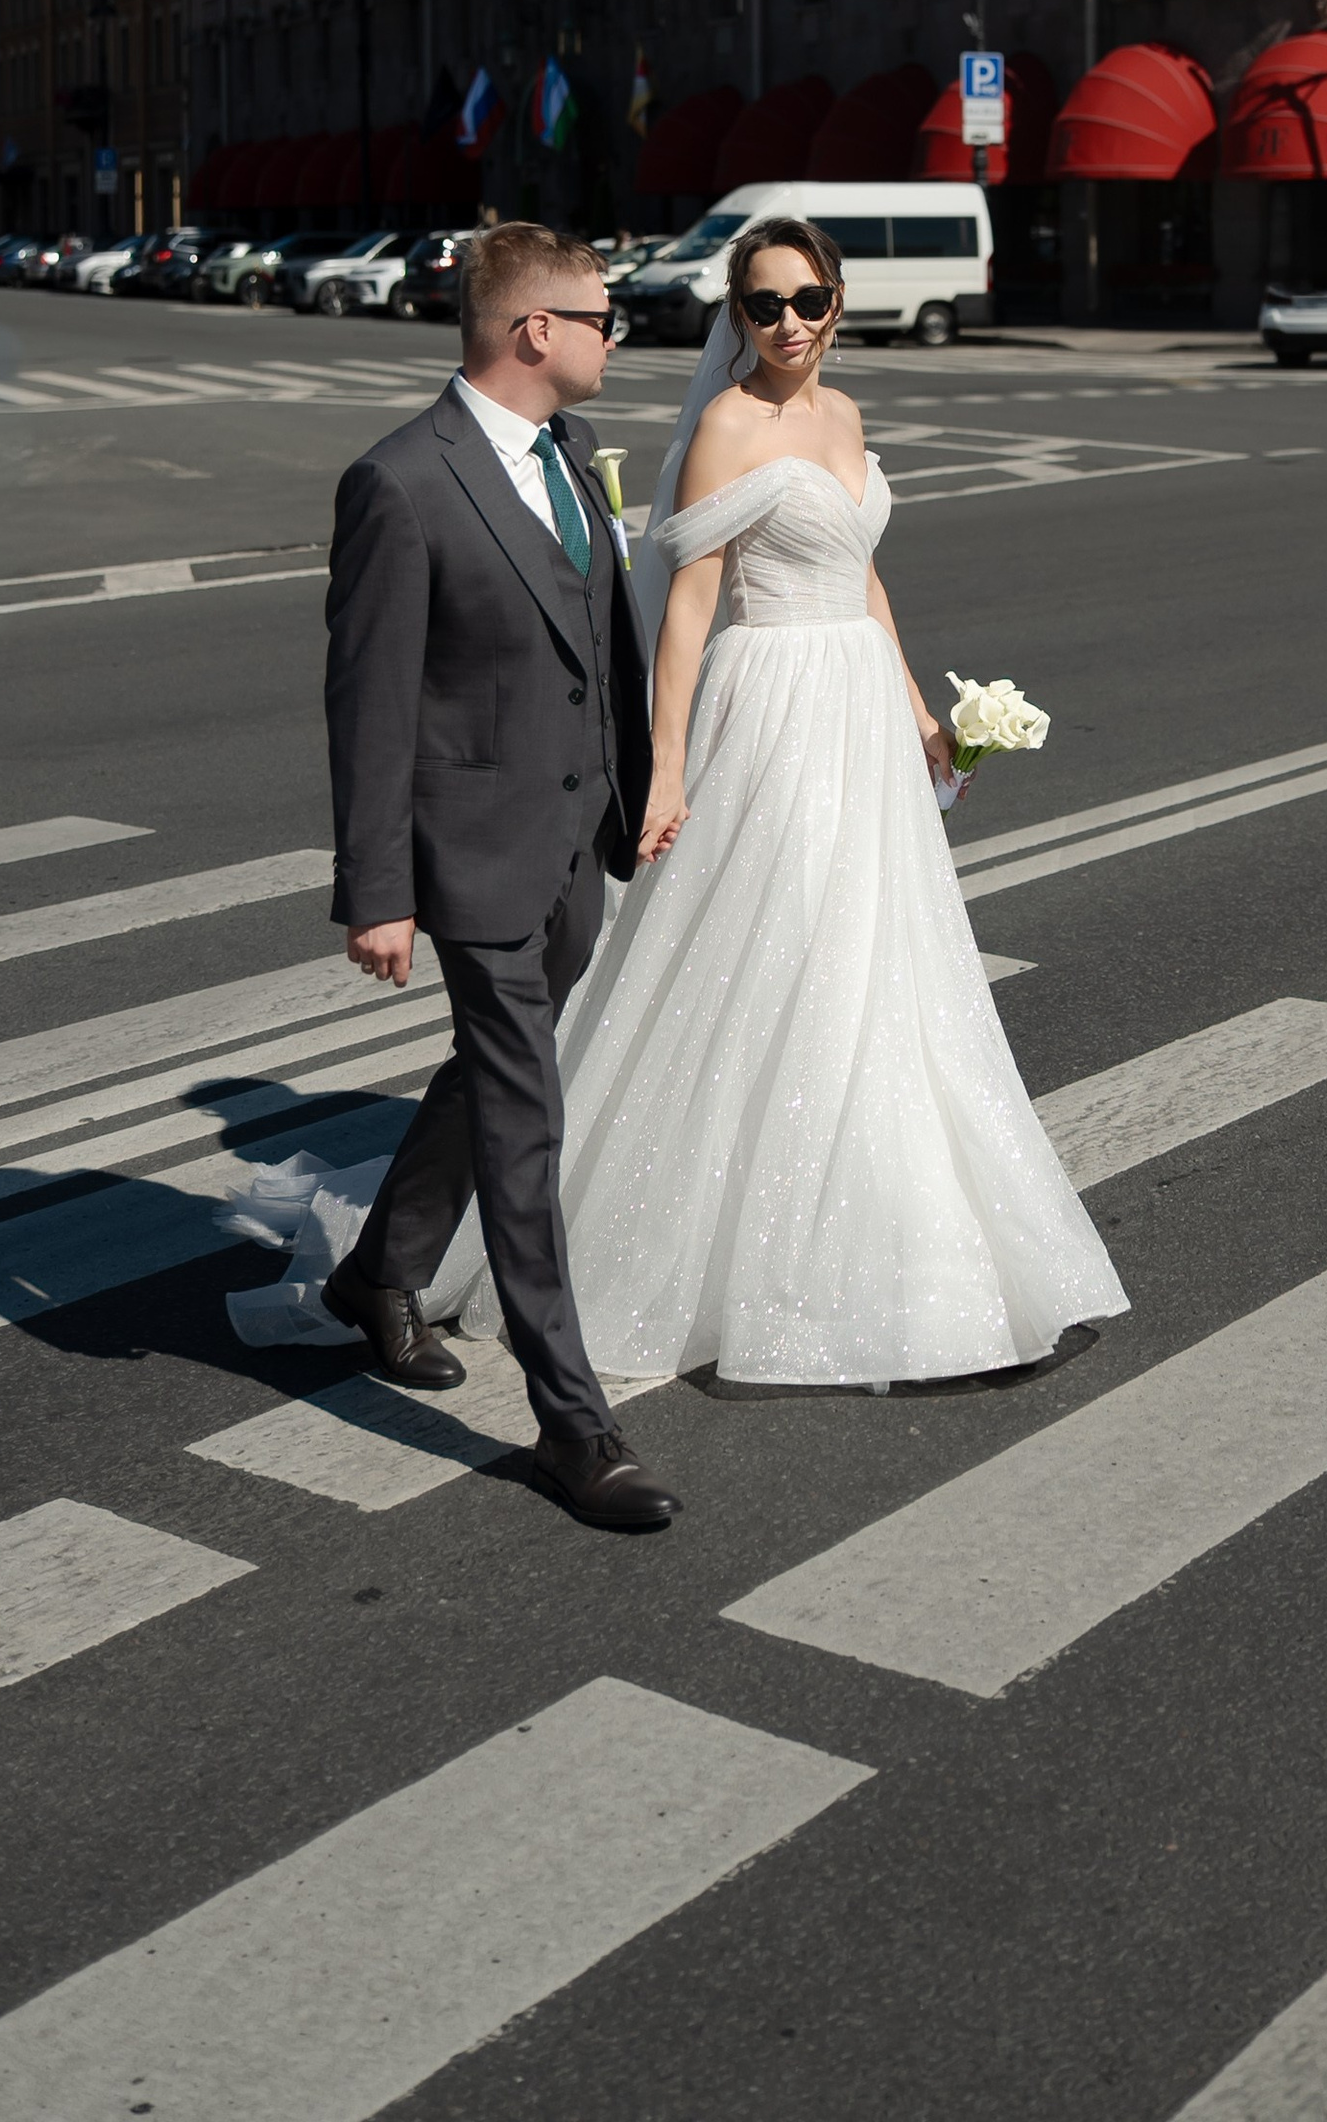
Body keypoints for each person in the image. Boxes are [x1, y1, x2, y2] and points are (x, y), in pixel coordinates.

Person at [550, 215, 1127, 1389]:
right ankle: (745, 1249)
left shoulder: (846, 414)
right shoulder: (726, 424)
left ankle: (910, 1245)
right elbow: (691, 615)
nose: (789, 328)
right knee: (790, 955)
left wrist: (925, 719)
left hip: (860, 709)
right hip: (771, 711)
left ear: (838, 298)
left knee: (887, 965)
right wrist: (667, 773)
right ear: (734, 315)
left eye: (807, 301)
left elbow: (861, 573)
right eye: (762, 308)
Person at [321, 220, 681, 1534]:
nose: (612, 335)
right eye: (599, 316)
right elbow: (366, 707)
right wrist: (378, 890)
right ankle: (575, 1427)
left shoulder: (573, 460)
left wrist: (643, 791)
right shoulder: (402, 484)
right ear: (536, 331)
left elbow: (600, 647)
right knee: (526, 1118)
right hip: (467, 853)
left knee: (493, 1073)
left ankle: (380, 1273)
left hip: (571, 840)